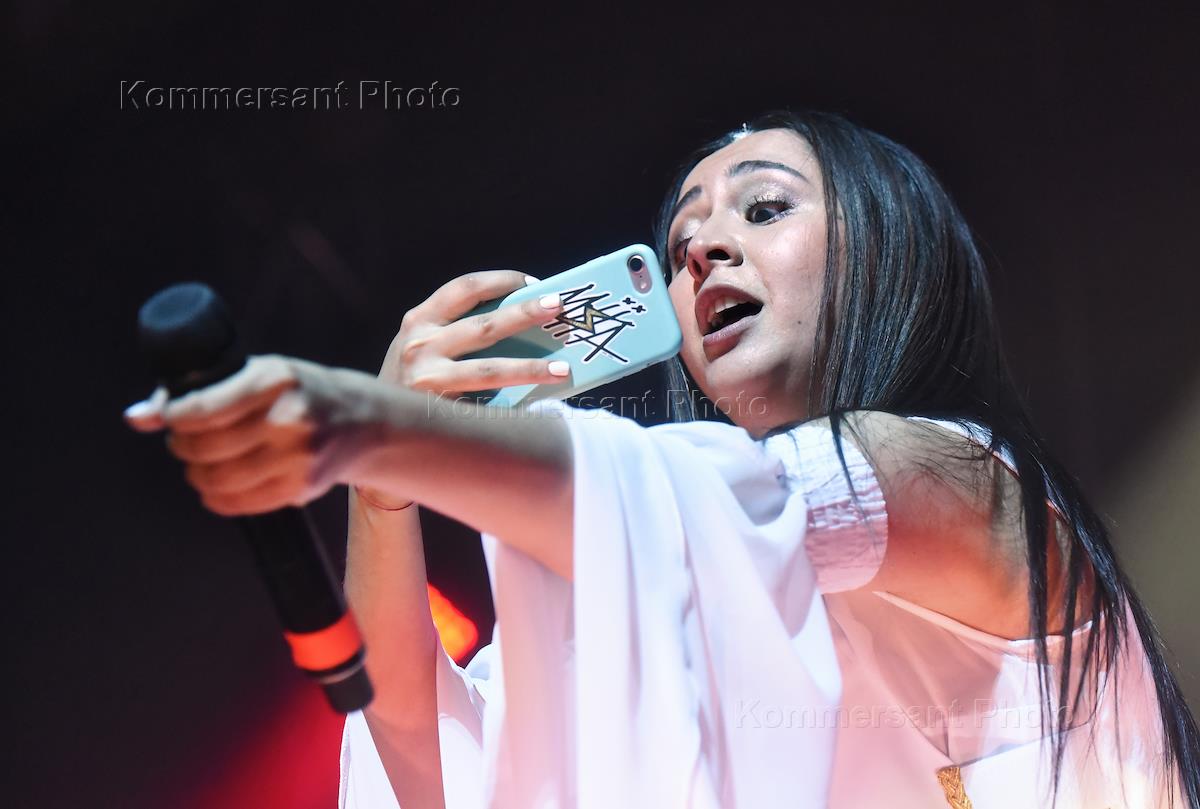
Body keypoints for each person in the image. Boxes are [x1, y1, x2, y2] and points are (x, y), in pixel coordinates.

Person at [123, 110, 1199, 808]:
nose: (705, 249)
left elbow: (724, 504)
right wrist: (380, 479)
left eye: (765, 208)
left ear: (891, 250)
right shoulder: (669, 593)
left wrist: (362, 420)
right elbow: (431, 750)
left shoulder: (967, 482)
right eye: (682, 245)